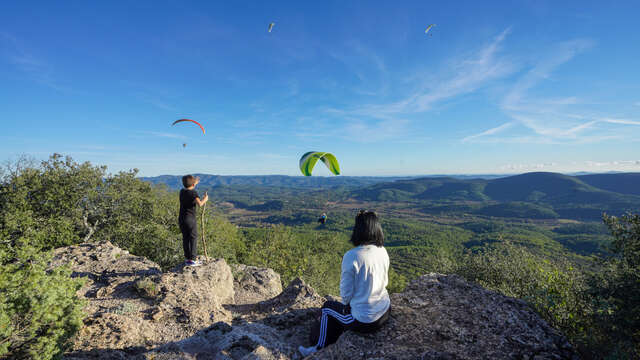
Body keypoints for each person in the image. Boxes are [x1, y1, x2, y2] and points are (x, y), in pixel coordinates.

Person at [299, 210, 391, 356]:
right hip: (385, 311)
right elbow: (384, 281)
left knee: (327, 308)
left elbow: (346, 293)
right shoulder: (382, 250)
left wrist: (347, 305)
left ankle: (317, 349)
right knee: (337, 311)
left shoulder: (352, 255)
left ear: (358, 230)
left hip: (365, 320)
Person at [178, 175, 208, 267]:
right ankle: (193, 260)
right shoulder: (193, 193)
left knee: (185, 238)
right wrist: (205, 199)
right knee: (193, 238)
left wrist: (194, 183)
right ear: (193, 184)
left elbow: (189, 188)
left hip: (182, 218)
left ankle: (187, 259)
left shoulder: (182, 191)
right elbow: (200, 204)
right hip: (190, 219)